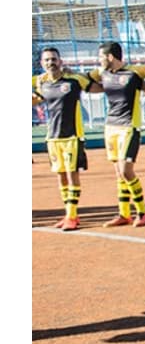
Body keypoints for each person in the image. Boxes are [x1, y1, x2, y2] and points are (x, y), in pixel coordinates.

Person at [85, 41, 145, 227]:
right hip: (111, 126)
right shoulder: (103, 74)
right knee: (118, 173)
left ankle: (142, 212)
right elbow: (89, 84)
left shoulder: (133, 74)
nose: (98, 61)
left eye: (100, 57)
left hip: (129, 126)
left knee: (126, 171)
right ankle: (124, 214)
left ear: (110, 57)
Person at [33, 47, 91, 231]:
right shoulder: (42, 83)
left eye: (53, 59)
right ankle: (68, 213)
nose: (51, 62)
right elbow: (37, 98)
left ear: (60, 61)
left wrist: (76, 73)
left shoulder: (73, 81)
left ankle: (72, 216)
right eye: (47, 60)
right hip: (53, 137)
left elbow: (90, 83)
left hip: (72, 136)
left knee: (73, 175)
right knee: (61, 176)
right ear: (42, 64)